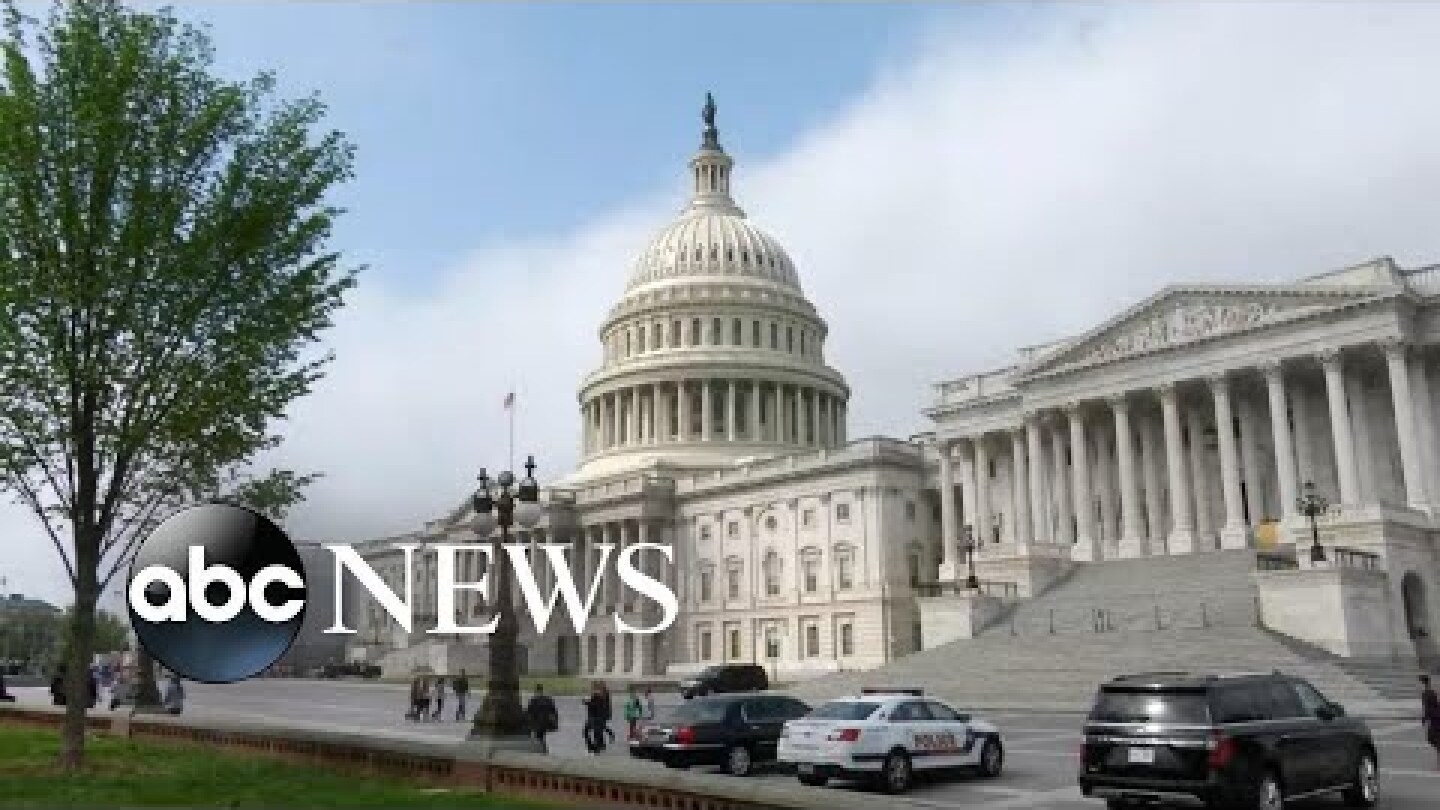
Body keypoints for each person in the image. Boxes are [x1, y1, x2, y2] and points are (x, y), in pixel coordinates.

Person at [525, 683, 559, 753]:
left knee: (539, 736)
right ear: (542, 690)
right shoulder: (548, 699)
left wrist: (528, 725)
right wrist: (555, 722)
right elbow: (554, 711)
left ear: (536, 691)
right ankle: (544, 749)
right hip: (546, 722)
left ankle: (542, 750)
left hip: (537, 722)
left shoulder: (533, 700)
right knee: (542, 736)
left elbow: (529, 712)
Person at [582, 681, 607, 753]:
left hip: (597, 718)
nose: (592, 690)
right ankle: (594, 747)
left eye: (593, 688)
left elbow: (596, 705)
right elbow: (584, 702)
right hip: (593, 718)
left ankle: (596, 748)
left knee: (596, 733)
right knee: (587, 732)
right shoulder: (594, 696)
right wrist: (587, 700)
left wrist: (589, 701)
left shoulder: (599, 696)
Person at [1422, 674, 1440, 770]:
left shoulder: (1426, 693)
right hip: (1435, 718)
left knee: (1432, 738)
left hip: (1435, 719)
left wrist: (1425, 718)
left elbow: (1427, 708)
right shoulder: (1431, 692)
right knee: (1434, 739)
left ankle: (1438, 763)